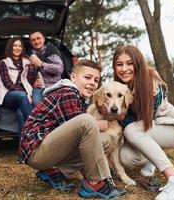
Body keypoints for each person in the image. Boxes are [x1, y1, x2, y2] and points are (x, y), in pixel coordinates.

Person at [19, 59, 126, 199]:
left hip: (48, 150)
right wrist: (98, 124)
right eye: (87, 77)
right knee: (87, 121)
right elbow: (80, 127)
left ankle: (55, 171)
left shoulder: (77, 96)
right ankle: (95, 182)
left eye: (96, 80)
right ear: (73, 77)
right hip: (36, 150)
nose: (92, 83)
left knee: (104, 140)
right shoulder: (68, 91)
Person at [110, 45, 174, 200]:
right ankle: (153, 158)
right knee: (125, 157)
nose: (124, 69)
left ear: (138, 63)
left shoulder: (150, 82)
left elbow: (144, 121)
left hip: (169, 128)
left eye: (129, 63)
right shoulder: (121, 87)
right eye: (119, 64)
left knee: (131, 130)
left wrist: (120, 117)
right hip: (146, 130)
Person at [0, 37, 33, 137]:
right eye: (15, 45)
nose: (17, 48)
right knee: (21, 96)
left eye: (20, 46)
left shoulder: (26, 62)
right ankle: (36, 124)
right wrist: (22, 93)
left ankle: (23, 147)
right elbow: (6, 81)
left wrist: (33, 68)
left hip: (24, 96)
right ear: (10, 47)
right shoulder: (4, 63)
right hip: (8, 95)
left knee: (21, 114)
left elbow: (29, 80)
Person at [26, 31, 64, 106]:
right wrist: (32, 82)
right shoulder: (29, 55)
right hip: (38, 88)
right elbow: (25, 75)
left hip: (54, 85)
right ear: (30, 43)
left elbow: (59, 69)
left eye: (38, 38)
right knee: (37, 104)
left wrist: (41, 64)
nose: (36, 41)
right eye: (33, 40)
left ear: (43, 39)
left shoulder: (52, 51)